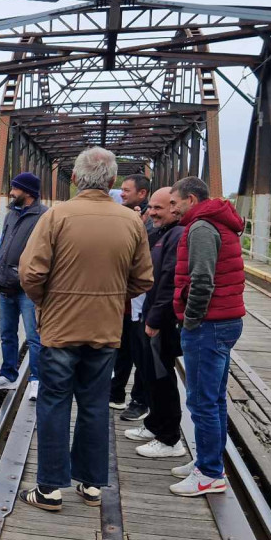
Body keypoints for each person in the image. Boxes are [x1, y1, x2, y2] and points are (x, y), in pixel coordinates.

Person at [18, 148, 153, 511]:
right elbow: (143, 279)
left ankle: (49, 488)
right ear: (111, 181)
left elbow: (30, 273)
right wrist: (110, 298)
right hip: (106, 329)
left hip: (60, 327)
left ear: (75, 179)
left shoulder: (56, 216)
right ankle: (92, 485)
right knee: (94, 404)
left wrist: (46, 301)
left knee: (54, 401)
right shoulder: (131, 221)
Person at [168, 176, 245, 497]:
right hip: (226, 320)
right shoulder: (218, 221)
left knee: (201, 401)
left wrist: (191, 319)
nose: (172, 209)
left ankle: (210, 473)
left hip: (208, 324)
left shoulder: (200, 228)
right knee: (213, 398)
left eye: (175, 202)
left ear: (191, 200)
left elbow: (201, 279)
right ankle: (207, 460)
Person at [123, 187, 188, 459]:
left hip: (157, 319)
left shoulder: (177, 235)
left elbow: (171, 281)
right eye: (150, 208)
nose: (152, 212)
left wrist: (157, 318)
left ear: (174, 208)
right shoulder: (159, 234)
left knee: (162, 378)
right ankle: (154, 424)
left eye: (159, 208)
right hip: (143, 314)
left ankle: (170, 438)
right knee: (149, 374)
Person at [0, 172, 47, 398]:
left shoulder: (44, 216)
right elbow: (1, 241)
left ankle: (37, 380)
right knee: (7, 333)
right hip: (5, 283)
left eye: (15, 188)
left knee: (33, 336)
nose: (11, 192)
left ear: (28, 192)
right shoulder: (10, 214)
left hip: (28, 288)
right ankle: (8, 375)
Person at [111, 173, 154, 421]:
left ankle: (139, 401)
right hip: (124, 302)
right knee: (123, 349)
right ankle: (116, 393)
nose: (122, 193)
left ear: (142, 193)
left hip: (141, 301)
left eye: (127, 190)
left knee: (141, 355)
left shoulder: (149, 221)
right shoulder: (128, 216)